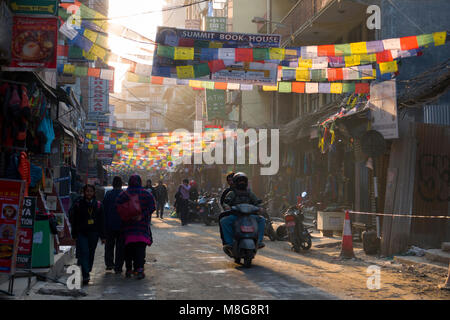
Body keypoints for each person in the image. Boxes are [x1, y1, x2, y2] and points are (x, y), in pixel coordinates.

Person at [116, 175, 155, 280]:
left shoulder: (124, 194)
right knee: (140, 249)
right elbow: (153, 207)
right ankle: (140, 269)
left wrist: (127, 214)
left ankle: (129, 269)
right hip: (142, 227)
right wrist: (143, 215)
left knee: (129, 249)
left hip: (128, 227)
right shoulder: (146, 194)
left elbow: (118, 205)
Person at [220, 172, 266, 253]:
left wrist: (260, 207)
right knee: (224, 221)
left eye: (243, 181)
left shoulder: (250, 193)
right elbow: (225, 202)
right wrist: (227, 206)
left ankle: (259, 241)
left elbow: (257, 202)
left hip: (250, 216)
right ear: (236, 182)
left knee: (262, 220)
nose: (242, 183)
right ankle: (229, 243)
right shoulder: (232, 193)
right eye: (239, 181)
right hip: (236, 216)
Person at [70, 184, 106, 285]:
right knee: (84, 252)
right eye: (87, 191)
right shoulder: (78, 204)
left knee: (91, 253)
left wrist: (103, 236)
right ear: (84, 192)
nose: (89, 193)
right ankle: (86, 275)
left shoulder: (98, 205)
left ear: (94, 193)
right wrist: (74, 234)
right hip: (82, 233)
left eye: (91, 191)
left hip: (94, 234)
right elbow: (74, 221)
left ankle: (87, 269)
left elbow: (102, 222)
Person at [102, 176, 125, 274]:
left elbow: (104, 209)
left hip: (109, 224)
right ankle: (118, 266)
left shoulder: (108, 194)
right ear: (121, 184)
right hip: (122, 224)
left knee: (109, 245)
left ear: (113, 184)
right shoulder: (124, 195)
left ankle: (109, 264)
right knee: (120, 246)